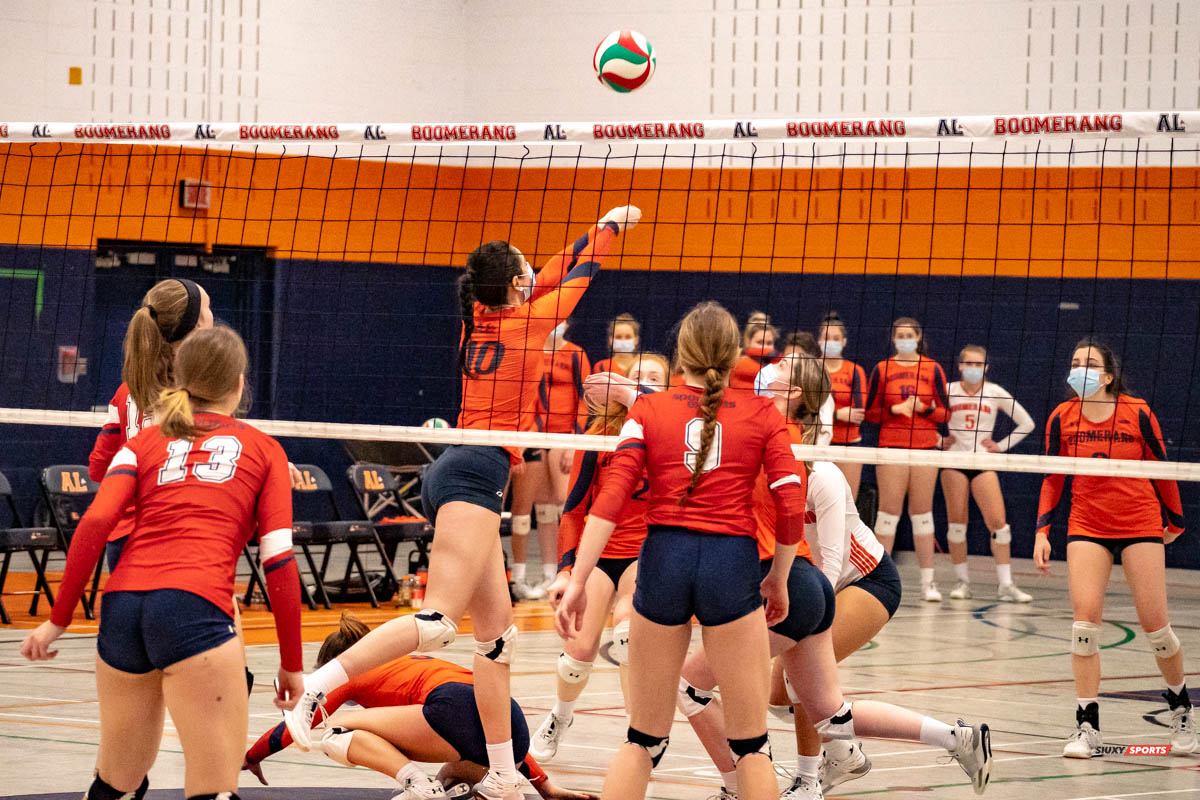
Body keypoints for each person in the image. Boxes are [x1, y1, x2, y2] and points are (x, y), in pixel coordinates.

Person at [286, 206, 642, 800]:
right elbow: (574, 281)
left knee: (497, 639)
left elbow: (551, 275)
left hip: (466, 468)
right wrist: (603, 236)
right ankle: (318, 689)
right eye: (526, 272)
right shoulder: (526, 325)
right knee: (440, 621)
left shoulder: (478, 317)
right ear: (513, 287)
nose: (536, 274)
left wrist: (593, 226)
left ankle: (503, 772)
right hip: (474, 473)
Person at [675, 357, 990, 799]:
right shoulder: (760, 446)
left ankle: (796, 781)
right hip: (802, 584)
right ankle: (952, 740)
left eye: (776, 377)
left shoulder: (821, 473)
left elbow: (834, 560)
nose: (763, 380)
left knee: (768, 682)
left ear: (796, 394)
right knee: (809, 703)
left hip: (863, 580)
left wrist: (797, 611)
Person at [21, 326, 304, 800]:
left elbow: (94, 525)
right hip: (195, 608)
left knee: (117, 781)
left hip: (123, 608)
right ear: (239, 383)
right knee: (214, 789)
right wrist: (292, 664)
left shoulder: (143, 442)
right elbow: (277, 560)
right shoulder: (266, 449)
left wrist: (57, 620)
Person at [556, 301, 806, 800]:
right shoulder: (762, 413)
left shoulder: (648, 409)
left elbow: (609, 499)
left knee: (643, 739)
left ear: (680, 355)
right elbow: (791, 498)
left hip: (663, 560)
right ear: (735, 355)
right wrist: (779, 575)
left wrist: (578, 578)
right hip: (730, 563)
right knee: (751, 745)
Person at [1033, 338, 1194, 759]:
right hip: (1087, 525)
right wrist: (1042, 530)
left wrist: (1175, 521)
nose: (1078, 369)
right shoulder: (1061, 417)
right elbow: (1052, 475)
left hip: (1139, 522)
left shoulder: (1137, 412)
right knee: (1084, 627)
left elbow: (1162, 468)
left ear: (1107, 375)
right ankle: (1087, 726)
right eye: (1073, 362)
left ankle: (1180, 710)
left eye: (1088, 363)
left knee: (1157, 628)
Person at [244, 614, 596, 800]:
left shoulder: (353, 670)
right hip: (508, 723)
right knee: (448, 777)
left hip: (453, 711)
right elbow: (499, 726)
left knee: (336, 731)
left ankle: (417, 786)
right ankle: (442, 787)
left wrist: (253, 755)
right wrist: (544, 786)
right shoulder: (413, 661)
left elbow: (298, 724)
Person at [530, 353, 670, 762]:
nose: (645, 382)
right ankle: (561, 714)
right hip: (600, 553)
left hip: (647, 552)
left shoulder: (671, 437)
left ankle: (638, 734)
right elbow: (574, 509)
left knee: (629, 634)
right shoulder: (599, 437)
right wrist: (564, 571)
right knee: (578, 651)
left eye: (654, 378)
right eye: (638, 376)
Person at [89, 278, 214, 570]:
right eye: (208, 308)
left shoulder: (124, 393)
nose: (213, 316)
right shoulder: (199, 395)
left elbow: (98, 467)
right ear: (196, 326)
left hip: (123, 542)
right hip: (175, 538)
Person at [863, 316, 950, 602]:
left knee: (923, 515)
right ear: (893, 338)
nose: (904, 339)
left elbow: (945, 413)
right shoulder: (882, 369)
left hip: (925, 447)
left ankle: (928, 583)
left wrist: (923, 409)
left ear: (918, 337)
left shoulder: (932, 368)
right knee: (888, 515)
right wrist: (895, 410)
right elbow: (871, 413)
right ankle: (876, 581)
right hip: (892, 446)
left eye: (908, 334)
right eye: (899, 335)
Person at [940, 345, 1036, 602]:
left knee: (999, 525)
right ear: (960, 366)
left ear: (986, 368)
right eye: (968, 363)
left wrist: (1000, 446)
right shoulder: (948, 390)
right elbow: (923, 416)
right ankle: (962, 583)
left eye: (978, 364)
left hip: (982, 462)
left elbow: (1027, 423)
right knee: (957, 526)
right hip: (954, 462)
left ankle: (1005, 585)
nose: (973, 368)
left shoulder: (994, 392)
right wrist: (938, 441)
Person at [510, 321, 593, 600]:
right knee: (541, 509)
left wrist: (575, 440)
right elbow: (526, 396)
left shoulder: (575, 354)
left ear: (568, 323)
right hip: (536, 435)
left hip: (564, 437)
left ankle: (568, 570)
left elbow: (586, 399)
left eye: (562, 321)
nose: (556, 325)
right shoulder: (532, 351)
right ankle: (548, 574)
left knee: (563, 503)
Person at [814, 312, 868, 497]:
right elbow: (806, 409)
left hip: (848, 443)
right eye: (826, 337)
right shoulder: (812, 369)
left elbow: (859, 414)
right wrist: (838, 415)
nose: (831, 342)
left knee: (847, 504)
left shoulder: (854, 371)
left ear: (844, 341)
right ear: (819, 341)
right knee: (815, 504)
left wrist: (830, 415)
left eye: (836, 338)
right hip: (817, 444)